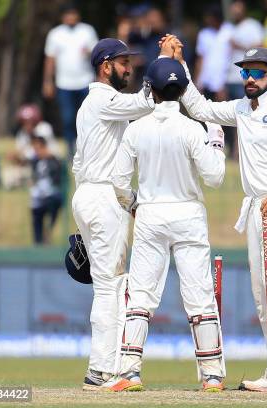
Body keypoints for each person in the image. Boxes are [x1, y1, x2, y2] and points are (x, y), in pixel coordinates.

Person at [162, 35, 267, 391]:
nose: (249, 78)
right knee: (262, 292)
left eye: (257, 72)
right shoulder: (239, 109)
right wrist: (181, 63)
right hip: (255, 207)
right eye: (246, 71)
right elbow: (200, 109)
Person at [111, 58, 227, 392]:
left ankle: (130, 372)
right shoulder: (193, 129)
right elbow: (215, 178)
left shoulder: (137, 128)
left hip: (150, 213)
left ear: (152, 89)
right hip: (188, 214)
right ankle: (212, 376)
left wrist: (133, 205)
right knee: (200, 295)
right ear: (180, 91)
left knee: (141, 296)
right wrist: (216, 140)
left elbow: (119, 181)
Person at [73, 38, 162, 391]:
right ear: (104, 65)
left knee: (107, 285)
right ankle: (102, 370)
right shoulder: (103, 98)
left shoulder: (89, 104)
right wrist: (165, 62)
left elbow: (79, 161)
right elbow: (144, 102)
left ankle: (105, 366)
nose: (130, 68)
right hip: (104, 196)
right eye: (124, 62)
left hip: (91, 194)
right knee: (111, 286)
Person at [43, 4, 98, 157]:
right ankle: (70, 149)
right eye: (68, 15)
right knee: (67, 118)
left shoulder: (87, 31)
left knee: (88, 118)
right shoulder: (55, 34)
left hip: (85, 81)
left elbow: (96, 54)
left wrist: (88, 52)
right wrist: (48, 81)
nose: (71, 17)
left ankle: (88, 149)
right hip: (64, 83)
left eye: (73, 14)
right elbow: (50, 59)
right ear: (63, 17)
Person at [224, 0, 264, 158]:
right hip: (231, 78)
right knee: (234, 115)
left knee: (247, 114)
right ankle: (234, 151)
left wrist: (238, 45)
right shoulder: (230, 28)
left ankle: (243, 151)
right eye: (233, 9)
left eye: (237, 8)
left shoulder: (252, 26)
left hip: (247, 77)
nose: (235, 11)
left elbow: (259, 47)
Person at [3, 104, 59, 189]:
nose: (27, 124)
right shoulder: (22, 134)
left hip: (48, 164)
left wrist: (25, 155)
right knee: (8, 175)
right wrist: (15, 158)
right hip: (31, 166)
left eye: (30, 121)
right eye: (24, 121)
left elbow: (46, 153)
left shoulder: (44, 128)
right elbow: (24, 159)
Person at [194, 5, 233, 101]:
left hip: (225, 77)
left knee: (223, 109)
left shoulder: (229, 30)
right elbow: (200, 58)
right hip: (206, 78)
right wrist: (197, 80)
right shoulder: (203, 34)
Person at [29, 135, 63, 245]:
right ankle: (38, 241)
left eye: (38, 148)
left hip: (51, 194)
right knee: (35, 209)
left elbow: (59, 178)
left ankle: (48, 232)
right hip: (39, 195)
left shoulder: (53, 160)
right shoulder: (35, 162)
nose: (37, 152)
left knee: (53, 201)